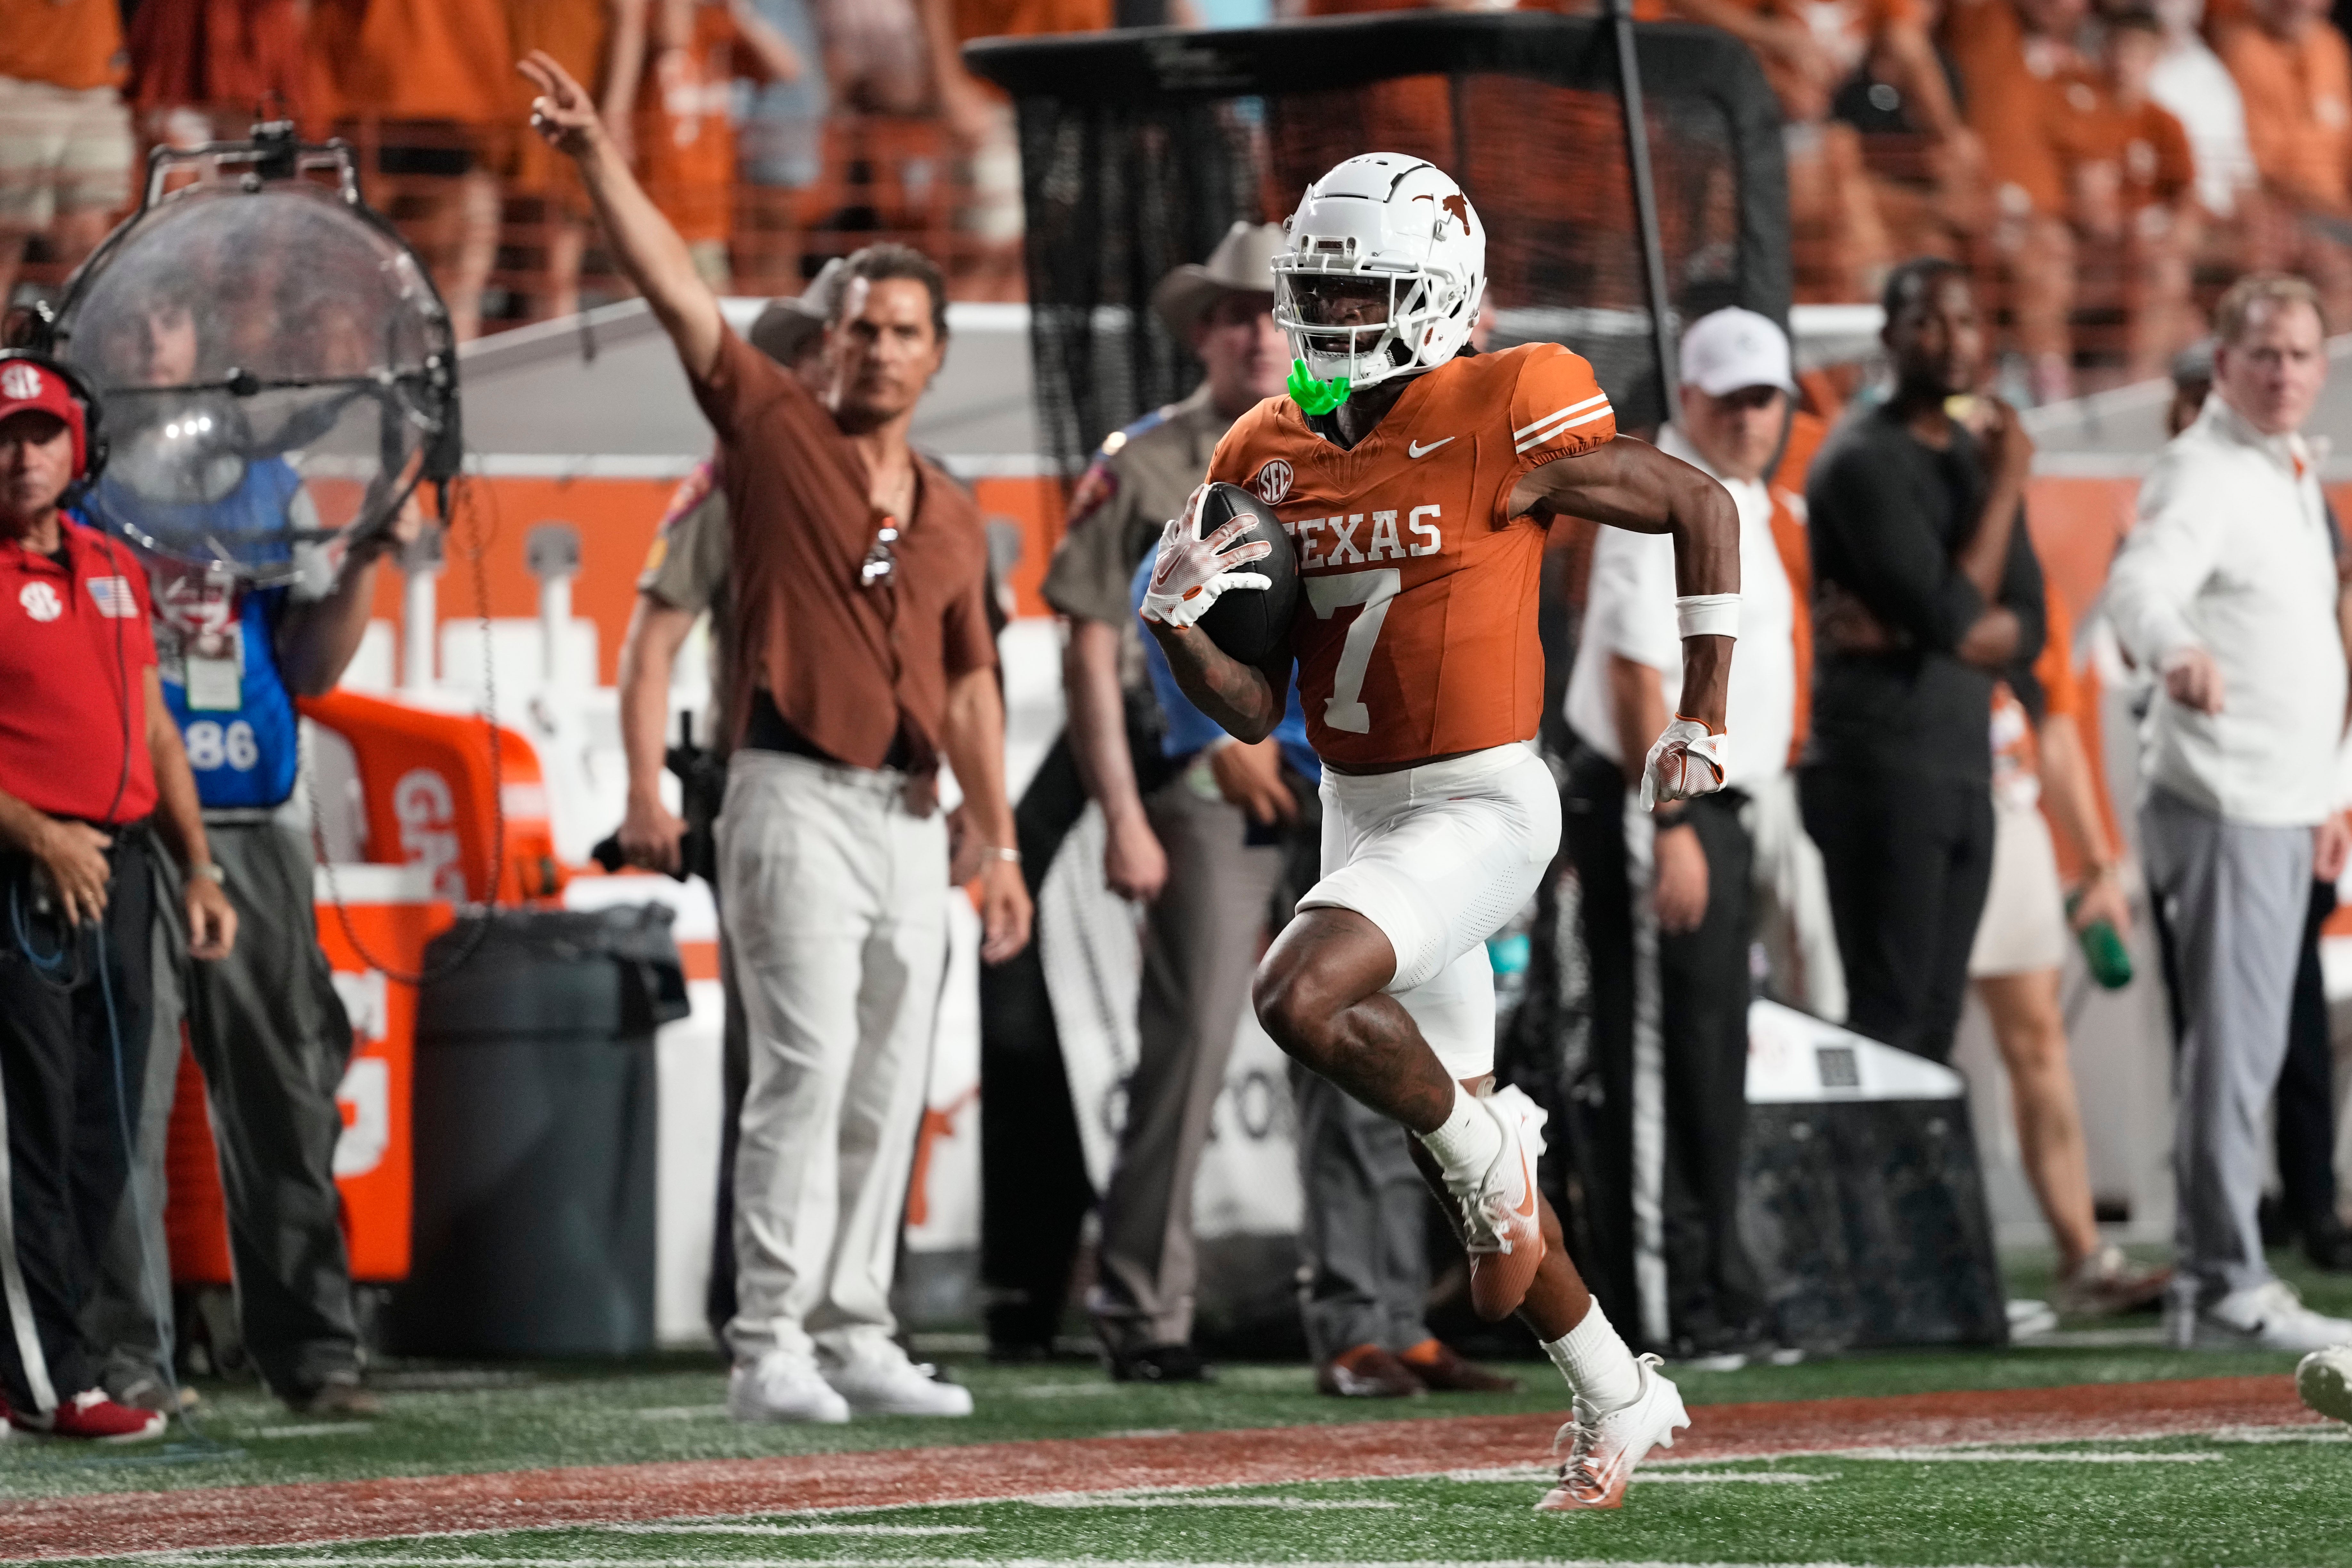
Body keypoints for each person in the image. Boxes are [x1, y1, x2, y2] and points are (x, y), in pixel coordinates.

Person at [1144, 154, 1741, 1510]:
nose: (1329, 314)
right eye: (1315, 289)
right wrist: (1179, 625)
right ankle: (1615, 1390)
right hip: (1357, 814)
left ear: (1437, 294)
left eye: (1360, 287)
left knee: (1295, 998)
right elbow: (1249, 712)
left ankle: (1488, 1161)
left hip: (1478, 798)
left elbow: (1696, 505)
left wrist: (1700, 710)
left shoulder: (1507, 397)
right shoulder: (1260, 447)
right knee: (1492, 1238)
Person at [523, 49, 1032, 1420]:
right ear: (831, 339)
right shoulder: (768, 432)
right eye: (856, 327)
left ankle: (856, 1319)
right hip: (786, 789)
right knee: (802, 1064)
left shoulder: (945, 505)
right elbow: (679, 298)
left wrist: (995, 841)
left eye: (899, 331)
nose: (873, 348)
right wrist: (591, 159)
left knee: (885, 1076)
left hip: (906, 815)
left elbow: (974, 687)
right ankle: (765, 1339)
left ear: (935, 353)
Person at [74, 288, 416, 1417]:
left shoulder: (272, 484)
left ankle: (315, 1350)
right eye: (127, 327)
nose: (148, 343)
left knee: (286, 1093)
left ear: (203, 348)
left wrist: (367, 557)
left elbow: (312, 667)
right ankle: (127, 1357)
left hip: (258, 817)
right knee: (123, 1100)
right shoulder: (73, 486)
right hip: (122, 825)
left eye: (168, 324)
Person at [975, 223, 1288, 1369]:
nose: (1257, 330)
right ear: (1202, 330)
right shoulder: (1148, 463)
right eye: (1234, 312)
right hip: (1201, 781)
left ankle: (1379, 1310)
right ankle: (1140, 1310)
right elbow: (1089, 645)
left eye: (1274, 308)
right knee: (1190, 1047)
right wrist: (1121, 811)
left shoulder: (1349, 447)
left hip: (1337, 783)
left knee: (1383, 1050)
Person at [2104, 273, 2352, 1352]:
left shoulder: (2285, 466)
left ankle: (2215, 1274)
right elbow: (2137, 586)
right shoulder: (2203, 468)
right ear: (2225, 359)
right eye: (2265, 354)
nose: (2285, 372)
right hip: (2225, 795)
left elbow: (2306, 640)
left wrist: (2329, 791)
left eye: (2301, 354)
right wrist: (2176, 649)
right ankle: (2222, 1277)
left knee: (2246, 1044)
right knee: (2234, 1049)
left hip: (2279, 798)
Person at [0, 353, 237, 1441]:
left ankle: (50, 1357)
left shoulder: (110, 567)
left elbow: (152, 722)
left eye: (41, 433)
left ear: (75, 444)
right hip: (25, 874)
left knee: (104, 1128)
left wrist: (196, 862)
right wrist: (41, 834)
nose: (21, 455)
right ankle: (46, 1378)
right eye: (5, 437)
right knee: (30, 1131)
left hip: (127, 868)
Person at [1561, 307, 1804, 1362]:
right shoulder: (1646, 493)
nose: (1755, 417)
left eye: (1769, 398)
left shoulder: (1740, 493)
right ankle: (1660, 1306)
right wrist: (1670, 820)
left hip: (1721, 802)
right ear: (1691, 398)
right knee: (1655, 1057)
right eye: (1734, 398)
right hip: (1661, 798)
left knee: (1705, 1054)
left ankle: (1715, 1284)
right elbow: (1629, 671)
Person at [613, 264, 840, 1345]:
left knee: (840, 1057)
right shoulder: (733, 480)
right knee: (778, 1057)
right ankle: (748, 1301)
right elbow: (649, 645)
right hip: (765, 779)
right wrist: (640, 791)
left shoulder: (883, 478)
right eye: (818, 356)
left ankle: (838, 1303)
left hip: (871, 791)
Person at [1801, 257, 2047, 1068]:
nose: (1951, 341)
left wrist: (1937, 626)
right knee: (1889, 1021)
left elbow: (2032, 626)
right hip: (1881, 773)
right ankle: (1859, 1199)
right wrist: (2008, 487)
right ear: (1889, 336)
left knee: (1938, 1025)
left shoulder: (1967, 460)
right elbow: (1957, 617)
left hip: (1962, 768)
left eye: (1968, 320)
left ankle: (1910, 1200)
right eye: (1928, 321)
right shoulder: (1861, 459)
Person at [2219, 0, 2352, 331]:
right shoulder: (2245, 51)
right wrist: (2339, 211)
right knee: (2337, 273)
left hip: (2337, 210)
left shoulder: (2330, 44)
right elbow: (2267, 168)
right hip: (2287, 209)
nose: (2301, 7)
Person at [0, 0, 135, 311]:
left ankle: (75, 354)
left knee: (89, 250)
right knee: (5, 241)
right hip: (13, 81)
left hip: (96, 85)